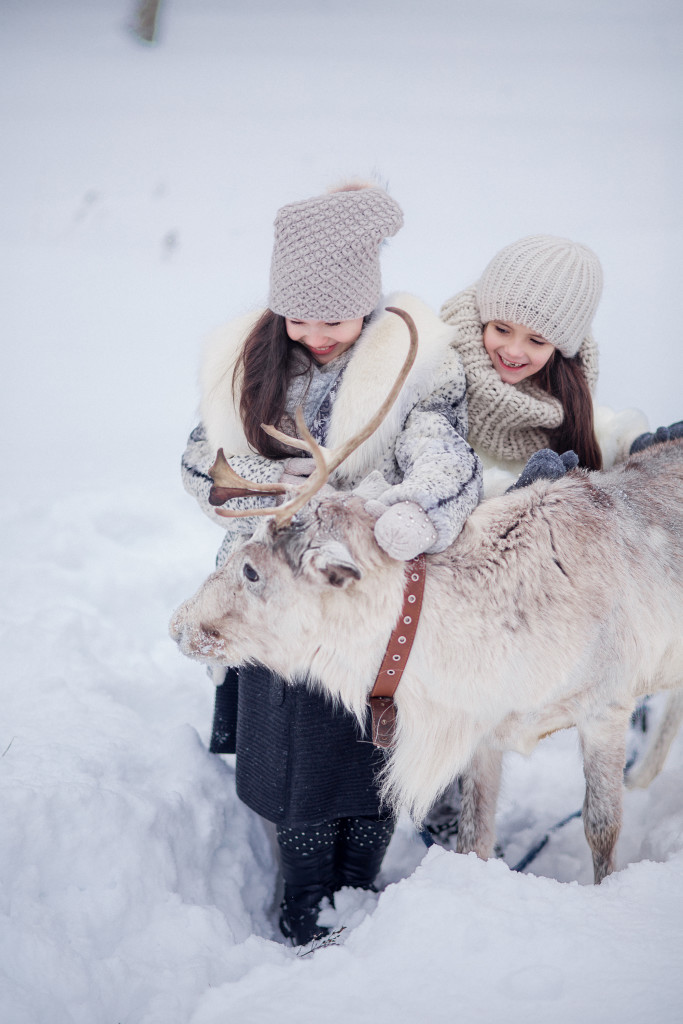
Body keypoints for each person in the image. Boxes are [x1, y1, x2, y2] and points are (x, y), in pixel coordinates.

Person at [181, 181, 482, 945]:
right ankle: (307, 887)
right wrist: (252, 490)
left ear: (369, 308)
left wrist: (415, 508)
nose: (317, 334)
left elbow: (444, 451)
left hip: (365, 587)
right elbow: (198, 459)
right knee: (298, 749)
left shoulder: (412, 367)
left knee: (369, 744)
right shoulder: (249, 365)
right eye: (302, 317)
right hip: (273, 592)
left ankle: (359, 879)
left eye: (336, 319)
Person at [440, 234, 649, 496]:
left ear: (558, 351)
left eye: (536, 341)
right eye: (502, 329)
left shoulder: (568, 388)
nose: (514, 351)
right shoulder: (441, 367)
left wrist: (629, 442)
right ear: (484, 319)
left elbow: (595, 428)